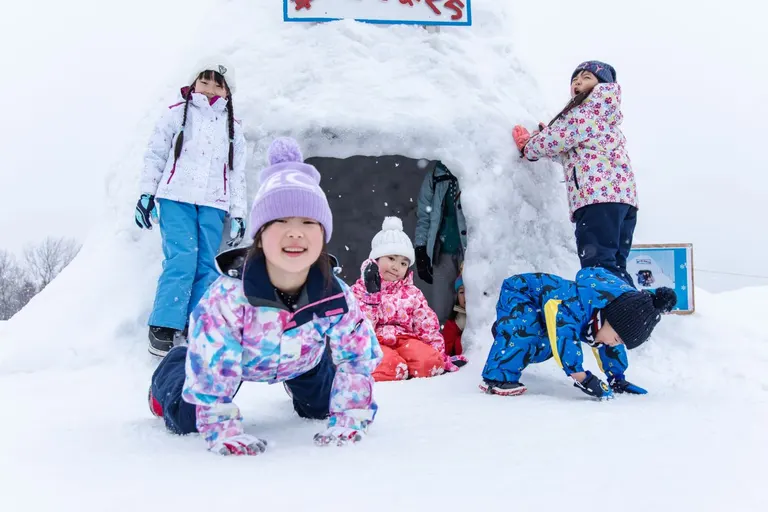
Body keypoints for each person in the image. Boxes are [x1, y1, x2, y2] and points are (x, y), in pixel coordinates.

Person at [147, 137, 383, 455]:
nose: (295, 232)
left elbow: (357, 356)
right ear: (259, 236)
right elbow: (213, 371)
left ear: (323, 235)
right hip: (236, 361)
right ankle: (174, 367)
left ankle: (300, 383)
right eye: (280, 221)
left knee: (322, 408)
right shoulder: (229, 297)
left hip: (304, 360)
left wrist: (350, 419)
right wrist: (222, 429)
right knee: (187, 418)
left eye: (308, 222)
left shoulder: (333, 293)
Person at [135, 57, 248, 356]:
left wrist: (238, 212)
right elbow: (155, 154)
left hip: (214, 202)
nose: (210, 88)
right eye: (205, 80)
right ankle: (164, 324)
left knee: (207, 265)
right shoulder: (176, 114)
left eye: (218, 84)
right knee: (182, 258)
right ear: (194, 81)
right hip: (176, 198)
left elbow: (237, 174)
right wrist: (147, 194)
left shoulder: (233, 127)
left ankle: (198, 324)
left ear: (227, 90)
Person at [513, 61, 638, 285]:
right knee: (615, 265)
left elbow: (553, 141)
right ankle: (629, 313)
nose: (578, 81)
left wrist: (528, 146)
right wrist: (548, 138)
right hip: (623, 203)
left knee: (598, 267)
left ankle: (608, 314)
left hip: (596, 200)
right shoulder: (606, 119)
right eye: (575, 79)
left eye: (587, 77)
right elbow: (571, 151)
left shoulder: (582, 114)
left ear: (603, 86)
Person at [479, 266, 676, 399]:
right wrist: (582, 377)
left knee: (542, 345)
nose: (616, 344)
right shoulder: (576, 305)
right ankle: (497, 377)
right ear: (610, 319)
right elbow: (565, 337)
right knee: (526, 332)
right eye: (617, 338)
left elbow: (610, 348)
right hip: (521, 293)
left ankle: (504, 331)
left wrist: (617, 379)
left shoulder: (603, 323)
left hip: (547, 315)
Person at [351, 217, 464, 381]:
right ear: (375, 259)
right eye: (391, 259)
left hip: (405, 341)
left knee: (430, 362)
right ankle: (389, 367)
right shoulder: (360, 290)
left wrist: (439, 355)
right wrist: (372, 296)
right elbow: (359, 330)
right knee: (391, 366)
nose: (396, 267)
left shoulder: (412, 293)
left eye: (404, 263)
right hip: (374, 343)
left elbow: (427, 326)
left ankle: (405, 365)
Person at [414, 161, 467, 324]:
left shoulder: (471, 171)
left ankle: (471, 345)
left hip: (470, 252)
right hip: (442, 251)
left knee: (471, 306)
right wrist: (421, 249)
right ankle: (445, 344)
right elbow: (424, 217)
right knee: (442, 308)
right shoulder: (435, 177)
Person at [441, 273, 466, 357]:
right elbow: (445, 351)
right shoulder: (453, 323)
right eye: (462, 292)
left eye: (469, 291)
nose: (466, 296)